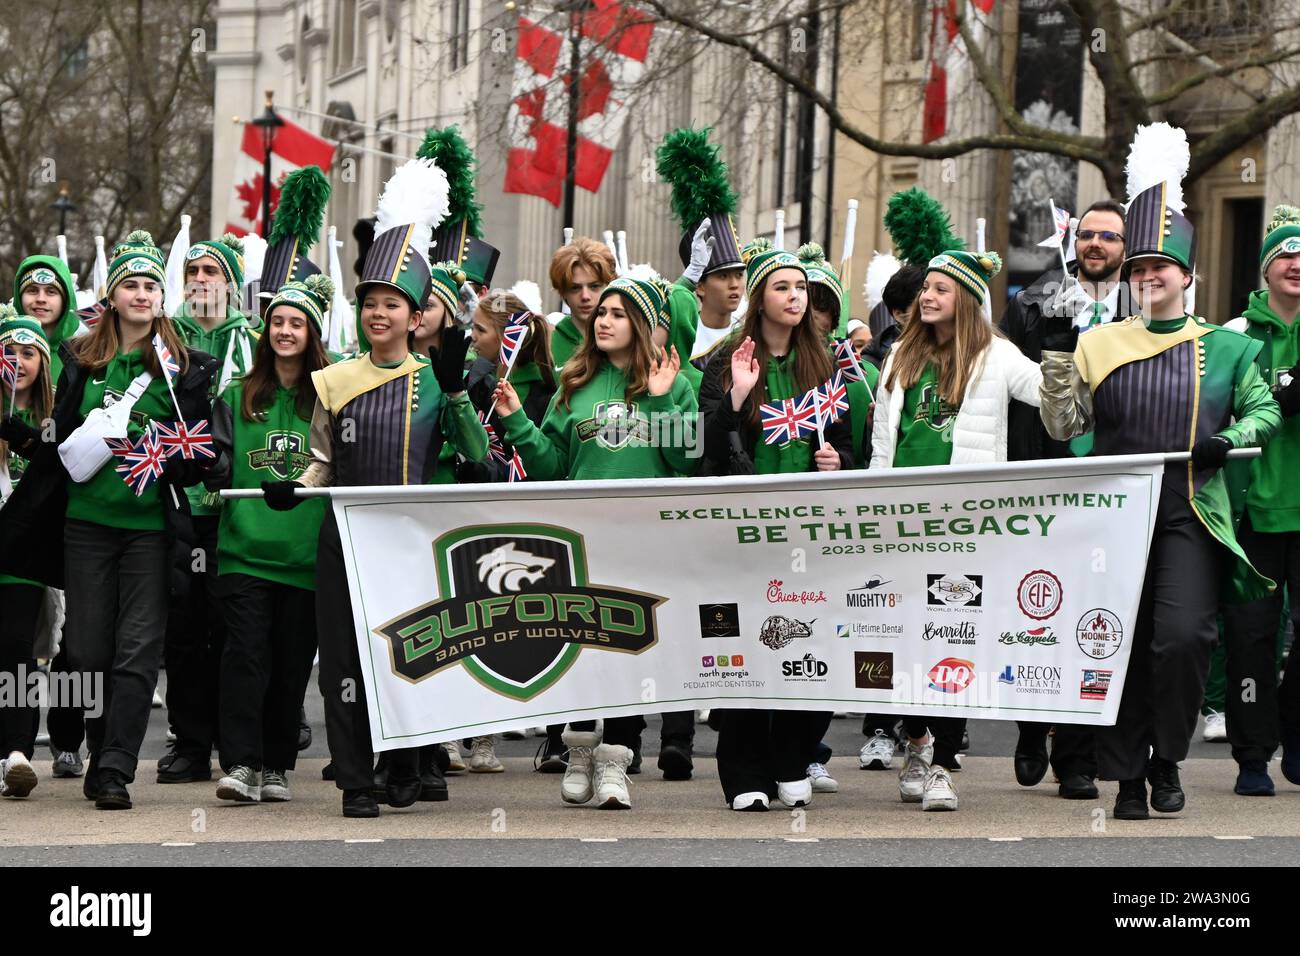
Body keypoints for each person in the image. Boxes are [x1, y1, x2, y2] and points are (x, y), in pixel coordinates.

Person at [1039, 125, 1281, 820]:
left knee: (1180, 640)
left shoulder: (1228, 348)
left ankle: (1168, 759)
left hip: (1188, 508)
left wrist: (1226, 438)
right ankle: (1126, 777)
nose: (1147, 278)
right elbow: (1065, 430)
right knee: (1115, 642)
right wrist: (1060, 365)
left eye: (1160, 270)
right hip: (1112, 512)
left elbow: (1263, 411)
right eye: (1138, 270)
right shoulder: (1096, 340)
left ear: (1187, 277)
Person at [264, 157, 488, 818]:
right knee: (344, 662)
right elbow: (322, 461)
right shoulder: (331, 381)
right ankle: (356, 778)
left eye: (392, 304)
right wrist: (291, 486)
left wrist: (455, 392)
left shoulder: (434, 378)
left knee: (409, 653)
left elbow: (475, 457)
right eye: (370, 304)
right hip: (346, 536)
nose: (379, 314)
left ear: (414, 313)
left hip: (414, 540)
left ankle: (406, 763)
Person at [0, 231, 219, 810]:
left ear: (160, 295)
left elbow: (203, 453)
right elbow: (55, 438)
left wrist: (170, 451)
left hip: (151, 530)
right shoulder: (78, 358)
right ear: (113, 295)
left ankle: (116, 767)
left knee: (138, 650)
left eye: (150, 285)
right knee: (89, 651)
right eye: (130, 284)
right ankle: (100, 748)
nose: (141, 294)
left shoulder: (188, 368)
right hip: (85, 528)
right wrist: (19, 432)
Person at [493, 271, 699, 809]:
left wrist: (658, 400)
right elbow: (552, 466)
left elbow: (690, 460)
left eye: (615, 313)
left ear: (642, 323)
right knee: (583, 642)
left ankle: (617, 761)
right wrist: (518, 422)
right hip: (581, 533)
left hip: (644, 536)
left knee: (629, 647)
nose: (602, 320)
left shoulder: (674, 380)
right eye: (600, 313)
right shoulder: (574, 379)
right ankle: (580, 748)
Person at [871, 247, 1040, 812]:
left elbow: (1055, 401)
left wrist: (1079, 365)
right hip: (899, 523)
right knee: (905, 643)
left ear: (967, 299)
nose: (927, 296)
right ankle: (916, 741)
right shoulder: (898, 357)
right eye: (926, 289)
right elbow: (880, 449)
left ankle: (942, 762)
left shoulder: (997, 355)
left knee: (953, 641)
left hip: (963, 526)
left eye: (941, 289)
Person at [698, 241, 852, 812]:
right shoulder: (723, 361)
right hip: (743, 529)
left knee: (809, 646)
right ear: (760, 299)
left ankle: (792, 759)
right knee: (742, 649)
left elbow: (846, 444)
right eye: (782, 286)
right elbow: (703, 451)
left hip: (809, 533)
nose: (795, 296)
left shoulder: (827, 364)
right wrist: (736, 394)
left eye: (801, 288)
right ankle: (744, 774)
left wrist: (839, 461)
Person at [999, 199, 1131, 800]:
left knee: (1088, 612)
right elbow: (1010, 382)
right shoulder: (1034, 301)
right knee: (1035, 605)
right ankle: (1032, 727)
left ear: (1127, 248)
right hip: (1041, 474)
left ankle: (1076, 756)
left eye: (1110, 236)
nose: (1097, 244)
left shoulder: (1145, 307)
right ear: (1074, 240)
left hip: (1109, 480)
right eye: (1089, 234)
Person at [205, 276, 334, 803]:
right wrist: (210, 467)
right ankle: (239, 763)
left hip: (304, 556)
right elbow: (215, 458)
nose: (285, 331)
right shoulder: (237, 394)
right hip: (244, 554)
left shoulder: (329, 395)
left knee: (290, 664)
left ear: (312, 333)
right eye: (277, 321)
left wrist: (303, 487)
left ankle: (277, 764)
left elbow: (334, 463)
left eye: (296, 323)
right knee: (243, 659)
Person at [158, 232, 259, 785]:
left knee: (234, 628)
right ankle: (189, 744)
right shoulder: (164, 337)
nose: (200, 279)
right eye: (192, 271)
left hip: (236, 505)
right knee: (183, 628)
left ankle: (236, 745)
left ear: (230, 284)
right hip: (179, 504)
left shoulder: (255, 342)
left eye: (211, 272)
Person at [1220, 204, 1300, 794]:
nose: (1298, 264)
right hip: (1252, 515)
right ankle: (1252, 755)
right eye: (1287, 254)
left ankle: (1295, 737)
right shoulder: (1235, 338)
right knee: (1249, 637)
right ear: (1267, 268)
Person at [0, 309, 56, 798]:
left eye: (28, 352)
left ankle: (18, 750)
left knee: (18, 649)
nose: (17, 361)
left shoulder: (52, 422)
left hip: (23, 557)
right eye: (9, 352)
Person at [548, 238, 618, 367]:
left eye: (594, 286)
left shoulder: (625, 341)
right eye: (575, 288)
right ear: (563, 292)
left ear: (610, 287)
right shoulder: (547, 345)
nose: (585, 296)